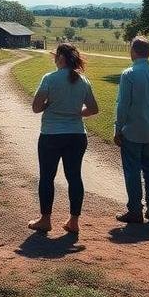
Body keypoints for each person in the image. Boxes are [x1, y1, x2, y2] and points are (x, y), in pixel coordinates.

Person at [29, 43, 99, 234]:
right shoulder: (83, 81)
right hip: (76, 134)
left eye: (55, 56)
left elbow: (36, 107)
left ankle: (45, 219)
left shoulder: (49, 79)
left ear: (60, 58)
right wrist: (76, 113)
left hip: (51, 134)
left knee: (47, 177)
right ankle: (74, 221)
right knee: (74, 177)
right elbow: (93, 108)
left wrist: (48, 106)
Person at [113, 37, 149, 225]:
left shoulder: (129, 74)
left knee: (132, 170)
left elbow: (123, 105)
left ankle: (135, 210)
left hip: (133, 129)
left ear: (133, 51)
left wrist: (118, 128)